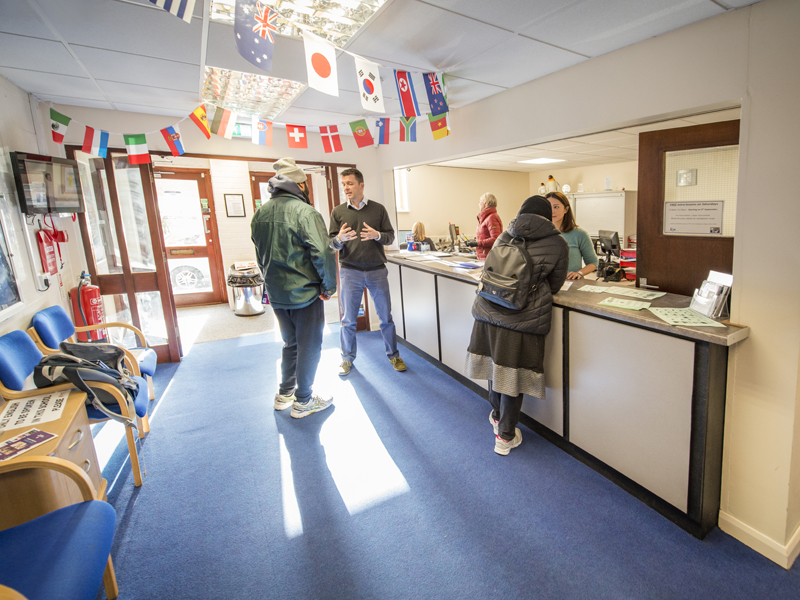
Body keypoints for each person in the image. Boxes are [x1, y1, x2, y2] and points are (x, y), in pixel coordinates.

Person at [465, 196, 568, 455]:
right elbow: (555, 286)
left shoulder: (506, 234)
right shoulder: (558, 242)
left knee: (494, 367)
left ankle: (498, 417)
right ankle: (506, 437)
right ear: (547, 216)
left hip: (488, 311)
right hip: (523, 318)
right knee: (512, 376)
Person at [251, 157, 337, 419]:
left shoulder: (260, 213)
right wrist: (329, 286)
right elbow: (322, 253)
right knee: (309, 345)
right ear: (300, 184)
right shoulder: (306, 212)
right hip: (304, 293)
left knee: (290, 343)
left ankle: (284, 394)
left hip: (276, 293)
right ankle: (303, 400)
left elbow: (260, 254)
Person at [329, 167, 406, 376]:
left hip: (376, 271)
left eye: (350, 184)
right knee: (348, 320)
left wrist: (377, 235)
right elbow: (330, 243)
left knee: (385, 318)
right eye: (344, 184)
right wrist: (339, 240)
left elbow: (390, 237)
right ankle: (347, 359)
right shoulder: (338, 212)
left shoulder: (378, 209)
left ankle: (394, 355)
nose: (346, 188)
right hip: (350, 271)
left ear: (361, 185)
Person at [546, 191, 598, 280]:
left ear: (566, 209)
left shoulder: (579, 234)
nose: (552, 211)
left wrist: (579, 273)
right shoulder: (540, 234)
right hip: (547, 285)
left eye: (556, 207)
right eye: (548, 207)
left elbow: (593, 262)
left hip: (571, 284)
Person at [464, 192, 503, 260]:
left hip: (489, 257)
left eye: (480, 202)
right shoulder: (484, 218)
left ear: (485, 202)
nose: (478, 204)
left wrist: (477, 243)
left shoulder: (492, 218)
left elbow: (495, 239)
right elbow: (484, 237)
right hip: (483, 256)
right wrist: (473, 242)